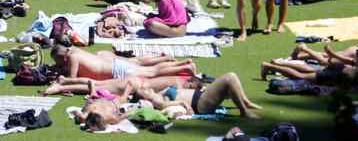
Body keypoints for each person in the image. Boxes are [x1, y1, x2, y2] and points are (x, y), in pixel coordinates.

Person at [132, 73, 263, 120]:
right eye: (142, 90)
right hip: (200, 104)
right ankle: (244, 111)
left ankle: (245, 102)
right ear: (143, 98)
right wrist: (182, 104)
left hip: (201, 97)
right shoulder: (156, 99)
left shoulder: (158, 93)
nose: (145, 88)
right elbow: (163, 105)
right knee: (230, 78)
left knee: (230, 81)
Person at [51, 44, 197, 81]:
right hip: (114, 67)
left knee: (152, 73)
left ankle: (185, 66)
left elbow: (72, 79)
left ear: (62, 57)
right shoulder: (74, 51)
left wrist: (61, 77)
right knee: (149, 70)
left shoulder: (72, 58)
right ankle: (184, 64)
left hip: (115, 71)